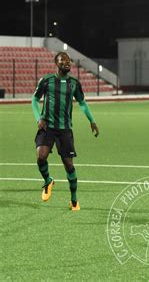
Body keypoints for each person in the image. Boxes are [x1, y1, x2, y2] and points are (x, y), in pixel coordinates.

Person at [32, 52, 99, 211]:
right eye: (63, 60)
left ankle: (74, 200)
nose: (67, 63)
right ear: (57, 63)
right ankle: (48, 181)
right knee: (41, 157)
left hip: (65, 130)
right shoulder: (46, 80)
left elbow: (82, 103)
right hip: (47, 126)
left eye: (69, 60)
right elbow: (34, 100)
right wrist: (38, 118)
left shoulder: (74, 83)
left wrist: (92, 120)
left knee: (69, 165)